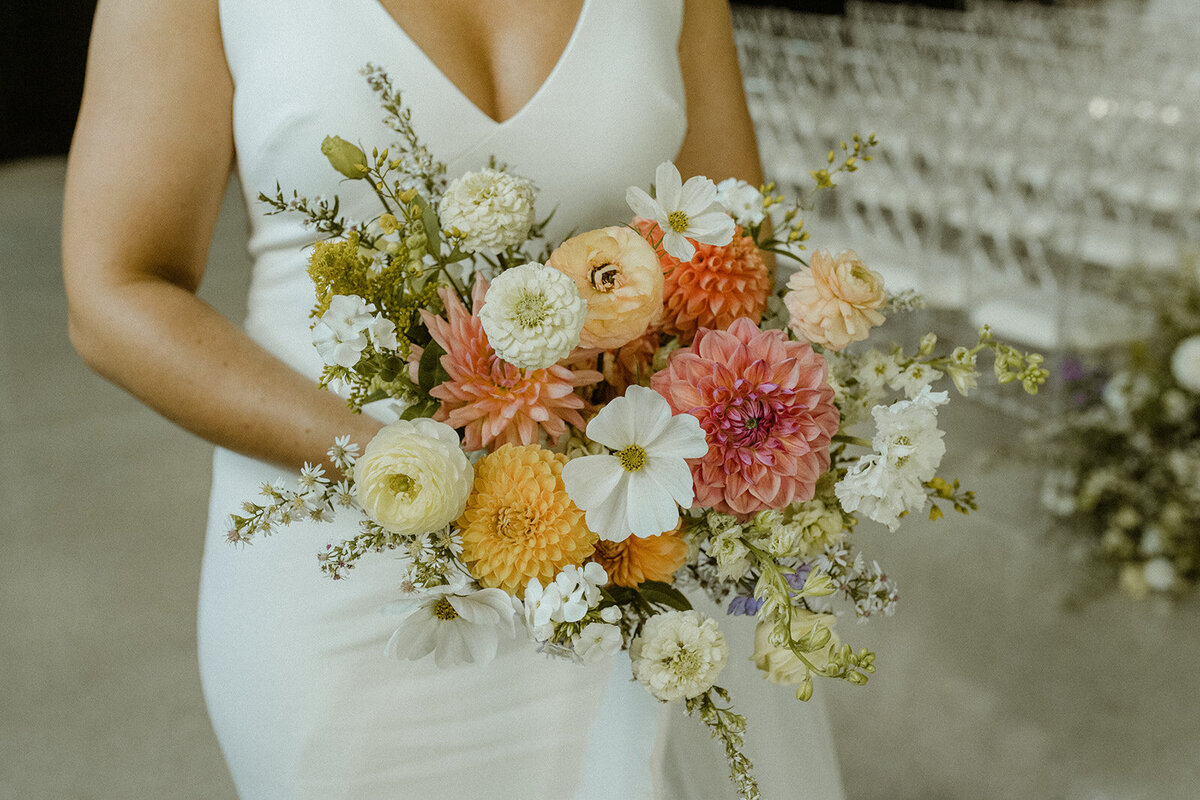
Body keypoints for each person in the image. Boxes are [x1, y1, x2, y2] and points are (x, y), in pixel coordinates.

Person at [63, 0, 845, 797]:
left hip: (604, 565)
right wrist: (400, 465)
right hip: (336, 571)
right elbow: (114, 292)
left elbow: (734, 255)